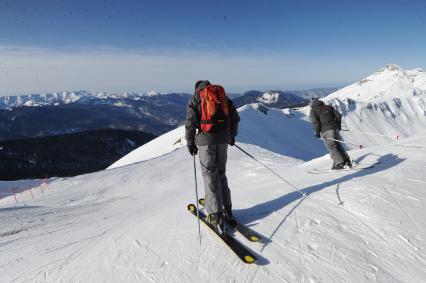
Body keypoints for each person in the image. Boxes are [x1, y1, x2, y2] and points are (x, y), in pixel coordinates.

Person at [185, 80, 240, 232]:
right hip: (223, 139)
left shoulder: (196, 98)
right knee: (221, 173)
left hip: (206, 141)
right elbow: (235, 118)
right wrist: (231, 136)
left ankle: (215, 214)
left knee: (210, 175)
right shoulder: (222, 97)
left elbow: (190, 122)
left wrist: (190, 142)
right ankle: (227, 210)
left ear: (197, 89)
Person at [309, 97, 352, 170]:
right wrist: (338, 125)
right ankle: (347, 161)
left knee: (332, 147)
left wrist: (317, 132)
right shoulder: (328, 107)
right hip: (335, 128)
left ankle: (339, 163)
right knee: (338, 145)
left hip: (326, 131)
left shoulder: (313, 110)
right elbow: (338, 115)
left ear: (312, 103)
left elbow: (316, 122)